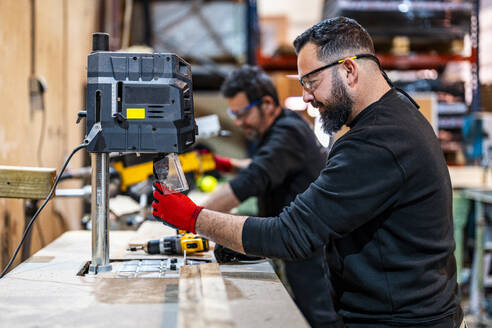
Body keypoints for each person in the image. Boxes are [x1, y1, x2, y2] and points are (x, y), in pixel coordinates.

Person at [152, 17, 463, 328]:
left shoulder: (378, 140)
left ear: (349, 70)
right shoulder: (394, 115)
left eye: (311, 82)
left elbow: (290, 234)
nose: (306, 97)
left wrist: (192, 218)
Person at [197, 65, 338, 327]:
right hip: (298, 240)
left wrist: (190, 217)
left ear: (267, 103)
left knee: (318, 317)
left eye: (242, 113)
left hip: (310, 248)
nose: (238, 122)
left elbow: (252, 181)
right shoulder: (282, 128)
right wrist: (226, 163)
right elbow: (264, 164)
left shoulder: (287, 133)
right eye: (233, 114)